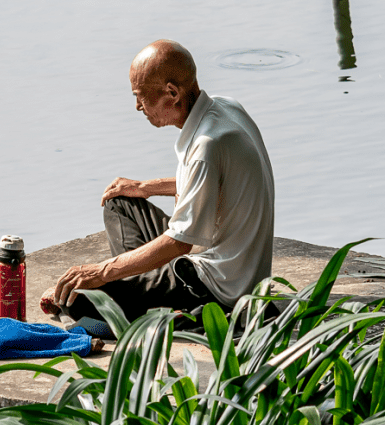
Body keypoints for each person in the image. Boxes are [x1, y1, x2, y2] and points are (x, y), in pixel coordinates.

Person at [43, 39, 275, 329]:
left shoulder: (207, 145)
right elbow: (212, 183)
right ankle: (141, 281)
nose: (138, 106)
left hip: (217, 285)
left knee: (76, 298)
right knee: (119, 203)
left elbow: (180, 243)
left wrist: (103, 271)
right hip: (203, 253)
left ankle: (148, 295)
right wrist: (146, 187)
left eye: (141, 96)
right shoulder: (226, 108)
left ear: (172, 93)